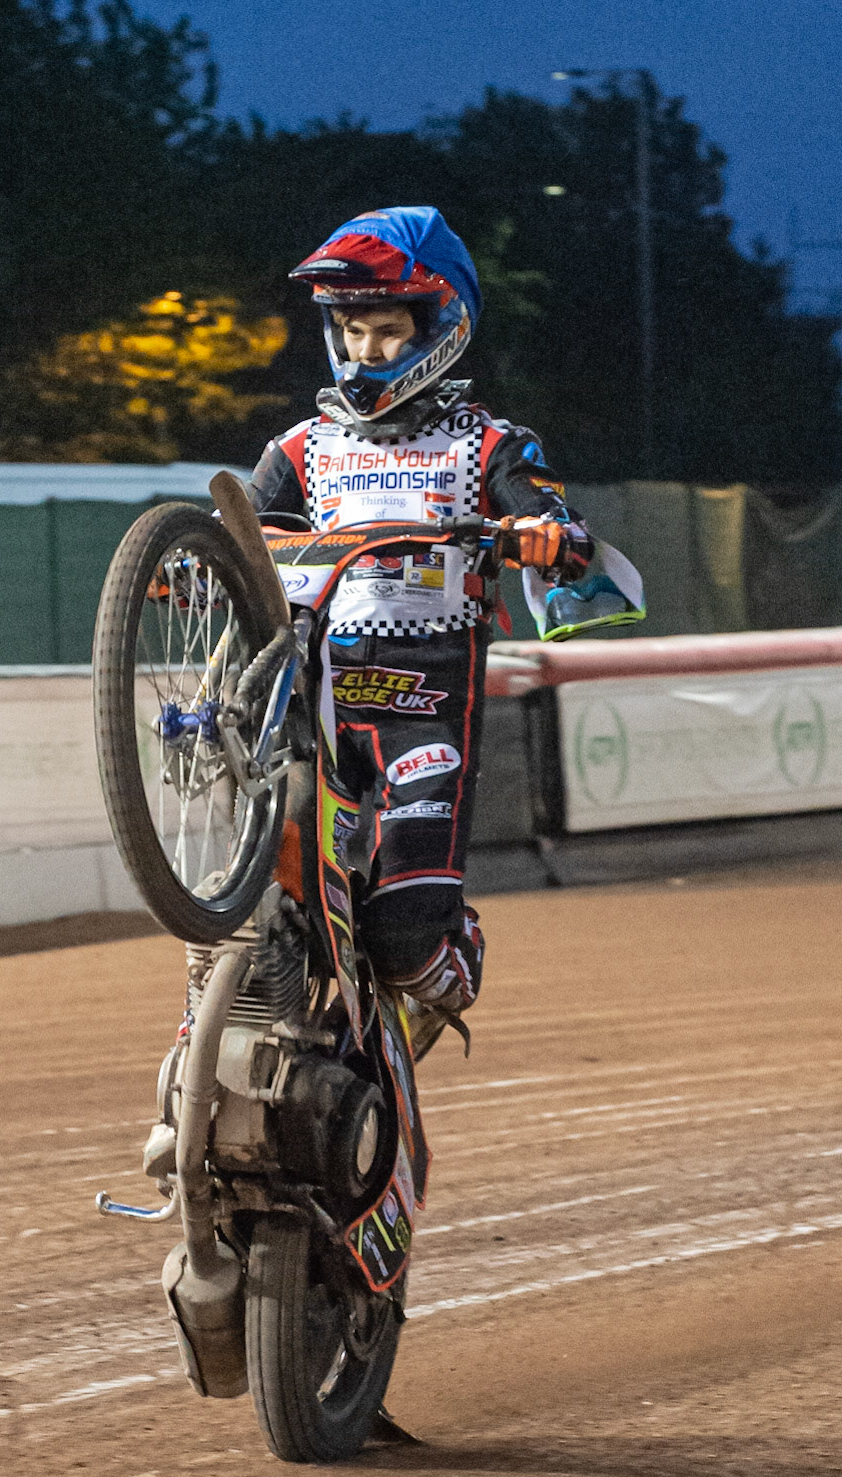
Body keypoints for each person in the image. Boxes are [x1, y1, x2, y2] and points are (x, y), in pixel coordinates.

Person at [246, 206, 599, 1049]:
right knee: (263, 914)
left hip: (427, 710)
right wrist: (187, 571)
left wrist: (549, 536)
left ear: (437, 328)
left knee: (404, 932)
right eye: (352, 329)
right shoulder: (299, 448)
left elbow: (561, 523)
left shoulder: (491, 445)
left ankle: (451, 958)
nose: (368, 350)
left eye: (388, 330)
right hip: (313, 707)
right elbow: (232, 534)